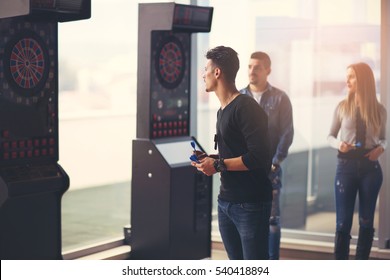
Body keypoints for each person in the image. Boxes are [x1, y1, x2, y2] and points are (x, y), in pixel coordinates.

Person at [191, 46, 273, 260]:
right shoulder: (222, 110)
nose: (203, 74)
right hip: (226, 202)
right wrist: (211, 158)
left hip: (250, 204)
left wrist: (217, 165)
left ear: (217, 72)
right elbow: (236, 151)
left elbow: (258, 157)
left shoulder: (246, 108)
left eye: (206, 69)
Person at [327, 62, 387, 260]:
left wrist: (381, 148)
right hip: (345, 168)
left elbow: (383, 138)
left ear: (363, 80)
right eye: (347, 76)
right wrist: (339, 145)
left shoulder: (379, 110)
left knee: (366, 221)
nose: (347, 80)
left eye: (351, 76)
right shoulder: (342, 107)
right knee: (343, 223)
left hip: (371, 169)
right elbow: (330, 136)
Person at [240, 51, 294, 260]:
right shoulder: (240, 97)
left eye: (258, 67)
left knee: (271, 222)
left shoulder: (280, 98)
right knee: (245, 220)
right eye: (250, 66)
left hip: (270, 171)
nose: (252, 71)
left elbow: (287, 133)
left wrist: (274, 163)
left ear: (268, 71)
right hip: (244, 171)